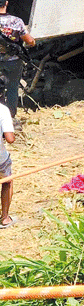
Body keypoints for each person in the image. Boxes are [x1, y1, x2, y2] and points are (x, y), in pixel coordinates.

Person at [0, 0, 35, 118]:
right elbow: (29, 41)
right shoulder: (16, 21)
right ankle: (10, 118)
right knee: (12, 89)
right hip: (14, 62)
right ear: (6, 3)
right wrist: (33, 42)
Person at [0, 76, 16, 228]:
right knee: (7, 182)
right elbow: (10, 138)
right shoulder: (3, 110)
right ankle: (5, 218)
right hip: (0, 159)